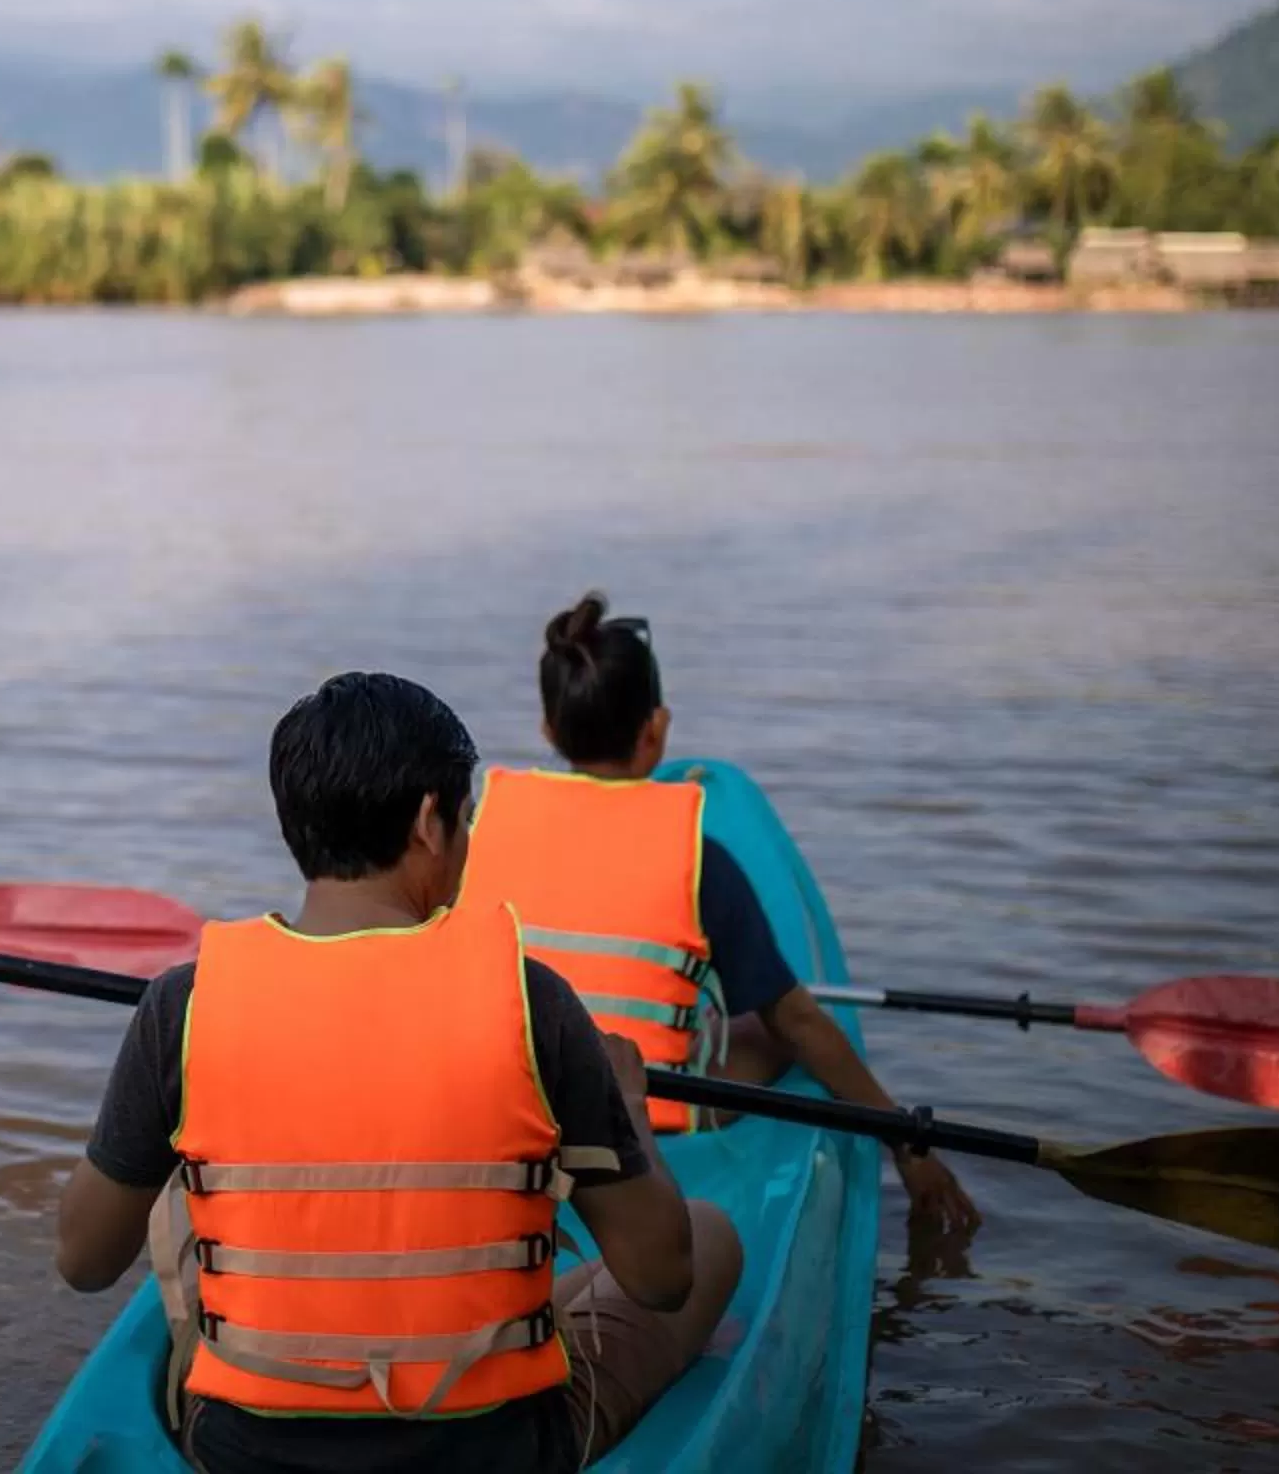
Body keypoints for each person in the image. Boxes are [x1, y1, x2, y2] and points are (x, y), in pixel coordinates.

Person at [54, 671, 743, 1474]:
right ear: (428, 822)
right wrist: (625, 1107)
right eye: (468, 820)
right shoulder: (533, 1002)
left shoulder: (185, 1003)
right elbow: (662, 1276)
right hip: (496, 1450)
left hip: (244, 1448)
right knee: (712, 1236)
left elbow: (83, 1259)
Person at [460, 593, 980, 1236]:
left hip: (515, 1100)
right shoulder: (695, 855)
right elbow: (799, 1023)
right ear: (657, 728)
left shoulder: (480, 833)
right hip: (638, 1116)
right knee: (770, 1032)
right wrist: (905, 1139)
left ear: (548, 730)